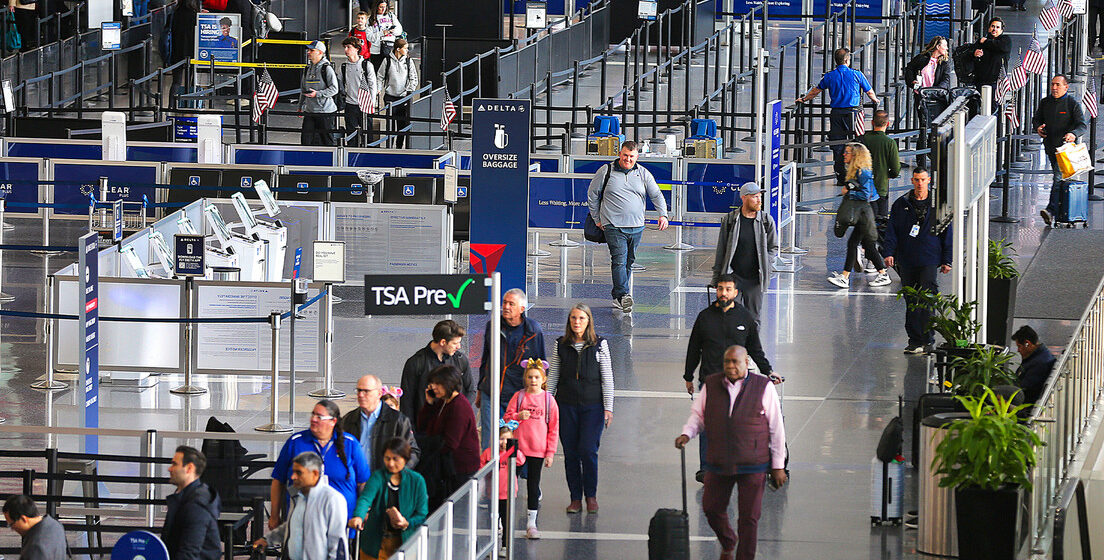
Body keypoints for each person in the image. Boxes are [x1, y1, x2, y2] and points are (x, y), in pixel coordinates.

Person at [675, 345, 787, 560]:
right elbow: (698, 417)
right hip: (719, 461)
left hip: (753, 463)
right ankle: (728, 541)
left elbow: (776, 428)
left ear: (747, 363)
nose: (730, 366)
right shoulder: (711, 384)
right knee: (711, 508)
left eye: (735, 362)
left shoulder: (764, 387)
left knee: (749, 518)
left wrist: (778, 465)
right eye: (727, 362)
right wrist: (686, 434)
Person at [685, 275, 781, 483]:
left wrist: (768, 371)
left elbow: (755, 348)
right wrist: (688, 376)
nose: (723, 293)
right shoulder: (704, 317)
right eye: (720, 289)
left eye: (728, 289)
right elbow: (694, 348)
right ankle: (706, 468)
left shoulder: (745, 318)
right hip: (710, 380)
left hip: (738, 383)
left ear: (736, 293)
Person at [586, 140, 671, 312]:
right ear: (619, 154)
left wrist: (663, 214)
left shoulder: (643, 173)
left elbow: (656, 194)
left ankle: (619, 297)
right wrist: (597, 219)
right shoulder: (606, 171)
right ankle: (624, 295)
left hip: (637, 226)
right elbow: (592, 195)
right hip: (613, 225)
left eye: (631, 156)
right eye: (625, 155)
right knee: (619, 260)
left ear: (637, 156)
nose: (628, 159)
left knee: (628, 262)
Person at [546, 303, 613, 515]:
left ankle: (590, 496)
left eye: (581, 318)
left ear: (588, 321)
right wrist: (547, 405)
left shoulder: (600, 344)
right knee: (571, 453)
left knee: (588, 450)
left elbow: (607, 378)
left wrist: (608, 407)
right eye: (574, 318)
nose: (577, 322)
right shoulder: (561, 345)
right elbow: (553, 375)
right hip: (565, 407)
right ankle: (575, 498)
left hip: (593, 407)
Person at [882, 167, 952, 355]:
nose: (919, 183)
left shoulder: (938, 205)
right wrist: (889, 253)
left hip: (929, 259)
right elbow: (892, 231)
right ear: (912, 181)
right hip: (907, 260)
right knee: (911, 300)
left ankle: (927, 339)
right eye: (916, 179)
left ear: (928, 180)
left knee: (927, 300)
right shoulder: (901, 204)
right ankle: (914, 340)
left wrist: (947, 259)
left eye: (922, 179)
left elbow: (947, 233)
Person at [270, 400, 371, 530]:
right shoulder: (296, 442)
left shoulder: (350, 444)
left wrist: (362, 514)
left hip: (343, 523)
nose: (314, 419)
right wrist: (274, 516)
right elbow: (278, 480)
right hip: (302, 524)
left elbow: (363, 483)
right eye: (313, 415)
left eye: (319, 417)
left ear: (333, 421)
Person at [797, 48, 880, 186]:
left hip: (836, 114)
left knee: (837, 145)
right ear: (847, 60)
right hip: (853, 114)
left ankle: (841, 176)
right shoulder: (857, 74)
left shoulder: (829, 76)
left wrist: (803, 99)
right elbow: (870, 92)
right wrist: (875, 101)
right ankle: (857, 175)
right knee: (857, 142)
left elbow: (816, 91)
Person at [477, 288, 545, 450]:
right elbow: (486, 359)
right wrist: (480, 388)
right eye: (504, 303)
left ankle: (514, 474)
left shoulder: (533, 331)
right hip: (491, 392)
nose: (506, 307)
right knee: (489, 441)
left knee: (516, 440)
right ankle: (490, 474)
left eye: (511, 304)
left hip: (518, 395)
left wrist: (538, 395)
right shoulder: (492, 326)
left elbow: (541, 365)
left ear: (522, 309)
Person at [503, 359, 560, 539]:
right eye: (529, 377)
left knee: (533, 485)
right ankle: (502, 520)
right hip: (517, 449)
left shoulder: (549, 401)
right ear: (525, 378)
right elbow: (506, 421)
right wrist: (518, 416)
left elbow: (553, 429)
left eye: (536, 377)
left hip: (537, 450)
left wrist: (550, 453)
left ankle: (531, 522)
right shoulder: (518, 397)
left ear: (543, 379)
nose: (533, 380)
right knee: (509, 485)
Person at [255, 452, 349, 560]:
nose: (293, 477)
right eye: (293, 472)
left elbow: (337, 543)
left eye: (299, 473)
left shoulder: (332, 499)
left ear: (314, 474)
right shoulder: (299, 496)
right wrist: (268, 540)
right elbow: (295, 527)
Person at [348, 438, 428, 560]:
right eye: (387, 458)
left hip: (407, 544)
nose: (390, 463)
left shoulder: (417, 481)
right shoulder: (377, 477)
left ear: (405, 459)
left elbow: (422, 513)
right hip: (376, 544)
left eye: (395, 459)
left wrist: (407, 523)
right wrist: (358, 516)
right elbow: (365, 499)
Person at [827, 143, 893, 289]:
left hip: (867, 210)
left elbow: (865, 195)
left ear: (855, 155)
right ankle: (880, 273)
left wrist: (848, 192)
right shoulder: (855, 170)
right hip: (864, 209)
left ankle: (848, 277)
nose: (844, 154)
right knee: (864, 244)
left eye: (847, 152)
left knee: (862, 244)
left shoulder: (863, 172)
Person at [710, 182, 779, 320]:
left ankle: (751, 342)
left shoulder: (766, 221)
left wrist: (767, 265)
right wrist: (716, 278)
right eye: (755, 197)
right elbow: (721, 250)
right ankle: (735, 342)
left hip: (755, 280)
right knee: (730, 317)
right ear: (744, 198)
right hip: (734, 278)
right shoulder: (730, 220)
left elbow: (773, 247)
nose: (759, 200)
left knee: (753, 319)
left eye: (760, 196)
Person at [417, 365, 481, 506]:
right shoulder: (443, 402)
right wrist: (429, 403)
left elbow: (450, 443)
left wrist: (429, 449)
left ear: (449, 383)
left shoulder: (459, 406)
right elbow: (422, 426)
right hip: (446, 467)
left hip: (460, 470)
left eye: (437, 384)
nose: (433, 387)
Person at [1034, 75, 1087, 226]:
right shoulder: (1045, 103)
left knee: (1058, 176)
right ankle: (1059, 211)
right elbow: (1037, 119)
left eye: (1057, 85)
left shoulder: (1072, 104)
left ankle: (1051, 211)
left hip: (1065, 150)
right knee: (1060, 178)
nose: (1054, 88)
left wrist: (1073, 134)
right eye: (1052, 85)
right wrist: (1038, 127)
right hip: (1051, 147)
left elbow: (1082, 125)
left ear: (1066, 87)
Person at [342, 375, 421, 472]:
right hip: (355, 482)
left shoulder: (397, 420)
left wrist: (395, 474)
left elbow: (413, 452)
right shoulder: (348, 420)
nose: (361, 395)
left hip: (385, 482)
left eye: (366, 391)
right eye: (358, 390)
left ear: (379, 393)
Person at [400, 319, 473, 421]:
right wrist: (409, 430)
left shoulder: (460, 360)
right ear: (443, 342)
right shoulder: (416, 362)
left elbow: (470, 390)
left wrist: (460, 410)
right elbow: (407, 400)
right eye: (455, 343)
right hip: (425, 429)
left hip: (454, 425)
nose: (459, 347)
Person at [163, 446, 221, 560]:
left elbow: (189, 553)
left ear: (189, 468)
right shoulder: (187, 496)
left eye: (175, 464)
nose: (170, 469)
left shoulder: (196, 505)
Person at [903, 37, 951, 168]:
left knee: (936, 127)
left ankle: (935, 155)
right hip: (922, 97)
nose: (946, 48)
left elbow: (946, 80)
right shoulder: (922, 58)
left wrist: (936, 90)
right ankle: (921, 159)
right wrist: (912, 81)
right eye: (944, 46)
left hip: (937, 99)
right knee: (924, 125)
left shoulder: (945, 63)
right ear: (937, 46)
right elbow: (909, 69)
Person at [482, 422, 523, 551]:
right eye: (501, 438)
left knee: (507, 521)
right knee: (492, 520)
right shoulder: (489, 453)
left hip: (508, 493)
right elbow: (481, 468)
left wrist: (513, 449)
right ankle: (492, 544)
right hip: (492, 493)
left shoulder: (513, 453)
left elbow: (521, 460)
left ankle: (505, 545)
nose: (503, 442)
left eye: (507, 439)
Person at [376, 38, 418, 149]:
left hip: (404, 97)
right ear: (398, 49)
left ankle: (399, 147)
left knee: (402, 124)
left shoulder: (409, 61)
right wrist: (378, 89)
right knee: (390, 125)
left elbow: (414, 78)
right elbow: (380, 76)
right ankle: (389, 146)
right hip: (390, 96)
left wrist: (410, 90)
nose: (407, 50)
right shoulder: (387, 60)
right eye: (405, 48)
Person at [860, 110, 901, 222]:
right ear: (887, 124)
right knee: (880, 222)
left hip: (862, 187)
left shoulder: (863, 139)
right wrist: (888, 175)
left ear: (872, 122)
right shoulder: (889, 143)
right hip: (880, 187)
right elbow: (896, 169)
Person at [300, 40, 340, 146]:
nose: (308, 52)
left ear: (320, 52)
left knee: (327, 141)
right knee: (306, 141)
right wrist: (300, 106)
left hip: (325, 112)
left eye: (312, 50)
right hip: (310, 111)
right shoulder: (307, 69)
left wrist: (317, 94)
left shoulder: (326, 68)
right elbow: (303, 89)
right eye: (308, 50)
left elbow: (334, 89)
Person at [340, 36, 378, 147]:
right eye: (345, 47)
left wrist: (371, 103)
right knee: (351, 134)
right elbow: (341, 84)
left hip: (364, 104)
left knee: (368, 134)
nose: (346, 50)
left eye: (348, 47)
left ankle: (368, 155)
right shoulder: (344, 66)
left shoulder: (366, 65)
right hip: (350, 104)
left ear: (357, 48)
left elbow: (372, 85)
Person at [2, 495, 67, 560]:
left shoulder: (35, 547)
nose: (12, 529)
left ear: (23, 519)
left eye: (11, 524)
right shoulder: (55, 525)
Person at [1011, 326, 1057, 404]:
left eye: (1019, 346)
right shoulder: (1038, 357)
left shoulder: (1039, 363)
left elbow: (1024, 389)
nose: (1018, 350)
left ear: (1027, 343)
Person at [972, 18, 1011, 96]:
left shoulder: (1005, 40)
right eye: (992, 26)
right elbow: (973, 50)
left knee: (994, 105)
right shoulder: (981, 41)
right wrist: (975, 53)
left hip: (997, 81)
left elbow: (1000, 46)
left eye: (997, 27)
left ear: (1002, 30)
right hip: (981, 80)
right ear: (989, 28)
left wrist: (986, 42)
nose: (994, 29)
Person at [365, 0, 403, 65]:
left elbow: (399, 30)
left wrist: (390, 31)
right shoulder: (370, 19)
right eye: (381, 7)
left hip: (390, 47)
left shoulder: (391, 16)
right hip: (376, 50)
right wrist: (382, 33)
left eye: (384, 7)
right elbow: (369, 37)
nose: (383, 9)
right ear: (376, 7)